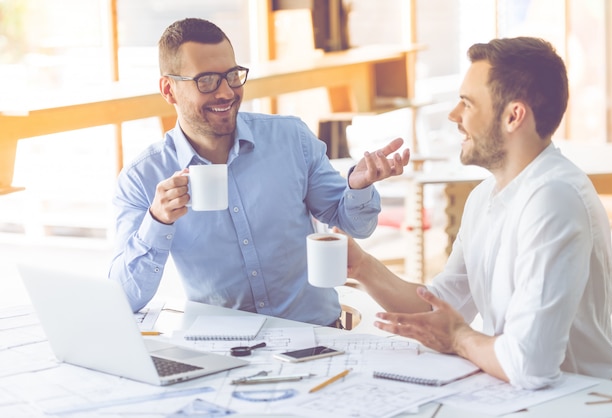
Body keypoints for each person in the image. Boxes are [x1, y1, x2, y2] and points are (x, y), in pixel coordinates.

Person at [344, 36, 612, 389]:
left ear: (513, 116)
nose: (453, 116)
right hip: (523, 392)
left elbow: (529, 365)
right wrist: (362, 267)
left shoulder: (554, 199)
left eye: (467, 103)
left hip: (581, 396)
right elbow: (442, 306)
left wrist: (459, 338)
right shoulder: (484, 198)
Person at [108, 17, 410, 327]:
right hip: (222, 348)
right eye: (207, 80)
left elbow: (357, 226)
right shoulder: (142, 178)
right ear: (168, 90)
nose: (226, 92)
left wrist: (358, 187)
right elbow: (124, 298)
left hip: (315, 335)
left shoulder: (291, 139)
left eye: (232, 76)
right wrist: (157, 220)